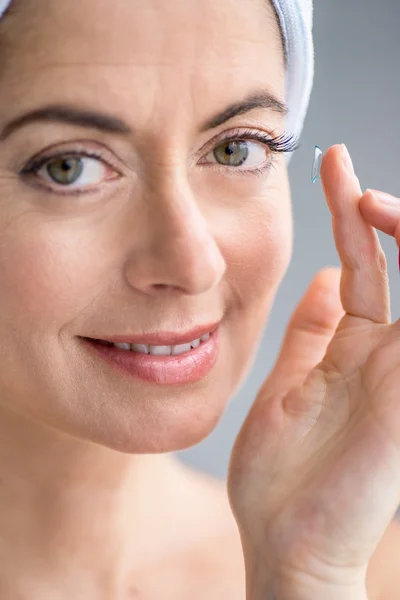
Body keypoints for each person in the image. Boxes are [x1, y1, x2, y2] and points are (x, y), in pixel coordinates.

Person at [0, 0, 400, 598]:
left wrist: (303, 577)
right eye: (69, 167)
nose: (193, 264)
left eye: (236, 149)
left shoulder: (366, 574)